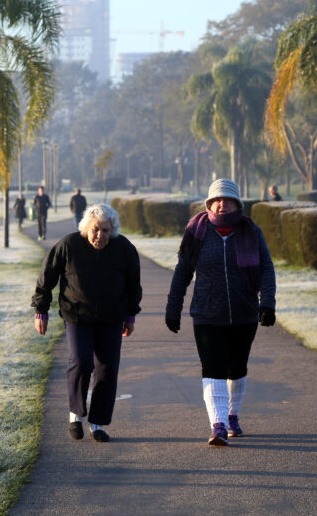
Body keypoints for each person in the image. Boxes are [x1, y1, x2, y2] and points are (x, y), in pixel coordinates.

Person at [165, 178, 276, 446]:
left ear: (237, 204)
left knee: (236, 367)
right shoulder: (196, 232)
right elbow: (183, 272)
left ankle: (232, 415)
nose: (222, 205)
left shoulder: (250, 231)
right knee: (212, 367)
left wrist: (267, 303)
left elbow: (266, 269)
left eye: (228, 200)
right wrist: (173, 307)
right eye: (217, 200)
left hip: (243, 312)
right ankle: (218, 425)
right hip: (206, 312)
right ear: (209, 204)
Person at [32, 204, 142, 442]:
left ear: (112, 230)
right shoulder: (70, 244)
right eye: (95, 229)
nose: (100, 235)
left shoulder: (123, 248)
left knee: (107, 369)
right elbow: (47, 276)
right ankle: (75, 414)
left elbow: (134, 284)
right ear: (86, 228)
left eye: (105, 230)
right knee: (81, 361)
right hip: (77, 315)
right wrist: (41, 310)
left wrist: (131, 316)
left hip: (111, 319)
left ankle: (97, 423)